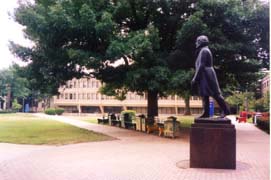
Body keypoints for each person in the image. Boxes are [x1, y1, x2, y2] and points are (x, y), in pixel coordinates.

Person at [191, 35, 230, 118]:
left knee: (216, 93)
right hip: (204, 75)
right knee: (205, 94)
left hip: (208, 74)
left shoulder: (204, 51)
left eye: (197, 41)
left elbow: (201, 65)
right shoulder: (203, 50)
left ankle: (226, 111)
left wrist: (195, 78)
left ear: (201, 42)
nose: (196, 43)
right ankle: (206, 113)